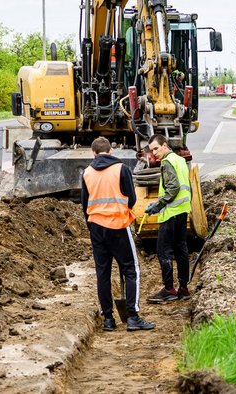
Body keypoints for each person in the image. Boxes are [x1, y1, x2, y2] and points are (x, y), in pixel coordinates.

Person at [81, 137, 155, 332]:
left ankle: (108, 319)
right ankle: (133, 316)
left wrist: (93, 226)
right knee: (131, 269)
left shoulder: (87, 173)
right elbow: (131, 199)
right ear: (111, 151)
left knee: (102, 274)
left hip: (96, 228)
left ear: (93, 153)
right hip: (118, 225)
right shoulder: (121, 169)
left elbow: (84, 205)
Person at [144, 134, 192, 303]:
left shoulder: (167, 162)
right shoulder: (180, 160)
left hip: (170, 213)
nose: (154, 153)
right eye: (151, 151)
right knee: (181, 249)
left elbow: (173, 188)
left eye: (156, 148)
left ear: (165, 145)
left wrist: (157, 206)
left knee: (164, 250)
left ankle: (169, 289)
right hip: (182, 210)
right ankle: (184, 288)